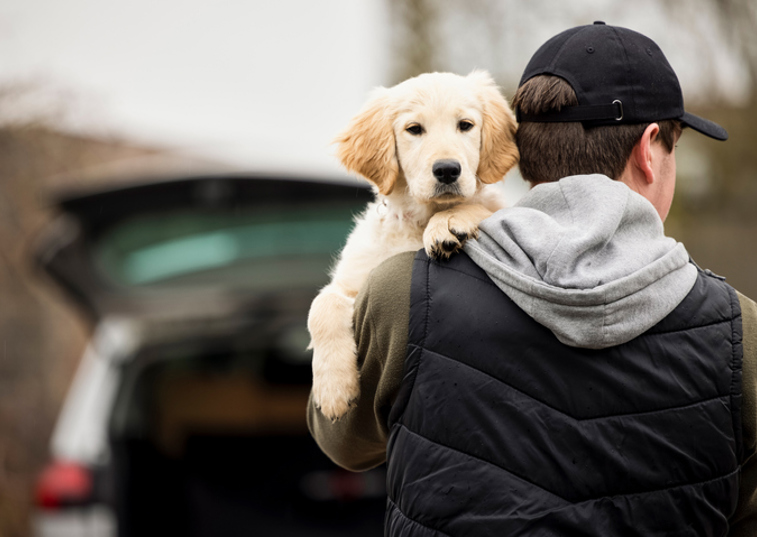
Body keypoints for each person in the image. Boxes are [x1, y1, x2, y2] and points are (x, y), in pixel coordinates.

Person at [307, 21, 757, 536]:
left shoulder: (400, 293)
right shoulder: (738, 327)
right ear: (650, 149)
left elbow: (344, 440)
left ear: (520, 146)